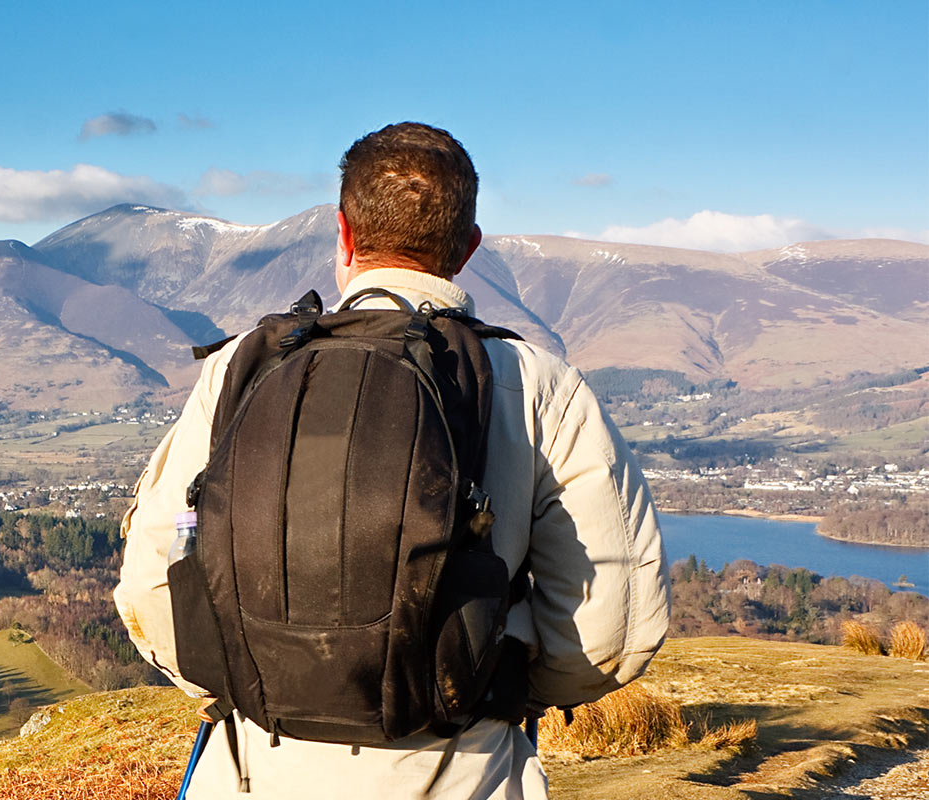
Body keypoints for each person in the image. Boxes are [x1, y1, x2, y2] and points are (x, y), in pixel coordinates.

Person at [113, 122, 670, 799]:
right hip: (462, 769)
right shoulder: (537, 384)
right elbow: (615, 626)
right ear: (468, 249)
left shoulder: (242, 369)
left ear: (343, 235)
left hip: (253, 768)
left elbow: (153, 582)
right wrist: (492, 690)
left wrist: (249, 681)